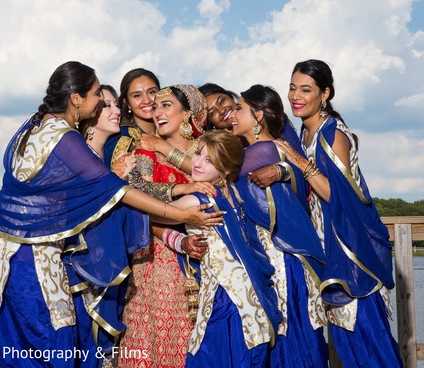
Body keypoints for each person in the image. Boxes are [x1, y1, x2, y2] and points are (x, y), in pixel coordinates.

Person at [0, 62, 223, 368]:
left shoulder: (32, 126)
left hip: (3, 247)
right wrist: (177, 211)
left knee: (11, 341)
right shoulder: (65, 138)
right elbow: (117, 191)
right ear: (76, 99)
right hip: (31, 255)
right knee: (45, 342)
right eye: (96, 95)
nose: (102, 102)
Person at [276, 59, 403, 367]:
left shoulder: (334, 135)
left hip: (352, 253)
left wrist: (300, 163)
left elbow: (340, 196)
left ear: (326, 94)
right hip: (329, 250)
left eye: (306, 90)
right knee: (348, 343)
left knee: (368, 341)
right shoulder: (304, 133)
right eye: (293, 87)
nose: (296, 96)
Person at [230, 84, 328, 367]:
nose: (233, 115)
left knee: (288, 334)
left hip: (280, 256)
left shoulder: (263, 150)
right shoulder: (267, 149)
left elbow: (218, 172)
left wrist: (167, 150)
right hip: (275, 255)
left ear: (258, 115)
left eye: (240, 109)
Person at [168, 130, 282, 368]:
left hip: (225, 299)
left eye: (209, 160)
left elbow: (146, 216)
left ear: (226, 169)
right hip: (252, 298)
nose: (197, 162)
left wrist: (178, 238)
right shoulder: (237, 192)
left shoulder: (198, 200)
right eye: (198, 154)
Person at [118, 84, 210, 368]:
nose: (157, 112)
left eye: (166, 105)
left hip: (210, 255)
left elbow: (217, 176)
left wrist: (165, 148)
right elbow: (137, 193)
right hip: (158, 256)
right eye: (155, 107)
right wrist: (180, 192)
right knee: (159, 338)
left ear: (187, 114)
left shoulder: (210, 146)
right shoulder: (145, 151)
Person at [103, 68, 160, 168]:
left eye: (152, 92)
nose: (146, 100)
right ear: (127, 103)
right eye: (137, 95)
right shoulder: (122, 141)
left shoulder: (175, 129)